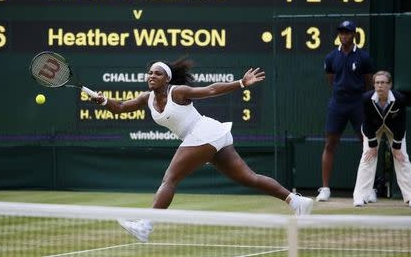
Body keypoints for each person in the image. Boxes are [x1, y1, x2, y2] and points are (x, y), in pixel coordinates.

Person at [92, 58, 313, 242]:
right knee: (249, 178)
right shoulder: (146, 98)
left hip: (203, 132)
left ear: (167, 78)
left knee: (170, 178)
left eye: (157, 73)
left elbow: (211, 89)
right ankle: (297, 202)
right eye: (149, 72)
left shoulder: (178, 92)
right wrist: (102, 101)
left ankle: (146, 226)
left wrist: (242, 83)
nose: (151, 76)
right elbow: (120, 107)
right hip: (210, 135)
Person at [316, 20, 374, 202]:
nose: (343, 35)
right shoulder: (331, 57)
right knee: (330, 144)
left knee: (367, 145)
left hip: (358, 104)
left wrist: (359, 99)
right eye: (341, 32)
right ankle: (325, 189)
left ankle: (368, 189)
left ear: (353, 35)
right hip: (337, 105)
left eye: (347, 32)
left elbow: (368, 83)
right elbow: (331, 80)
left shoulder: (364, 57)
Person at [353, 71, 411, 207]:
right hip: (372, 130)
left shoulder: (399, 99)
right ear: (374, 85)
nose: (380, 86)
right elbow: (366, 124)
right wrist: (372, 145)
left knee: (402, 158)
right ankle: (360, 197)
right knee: (368, 157)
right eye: (377, 83)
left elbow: (401, 124)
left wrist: (396, 148)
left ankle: (409, 196)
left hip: (395, 130)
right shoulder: (366, 99)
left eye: (384, 83)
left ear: (390, 85)